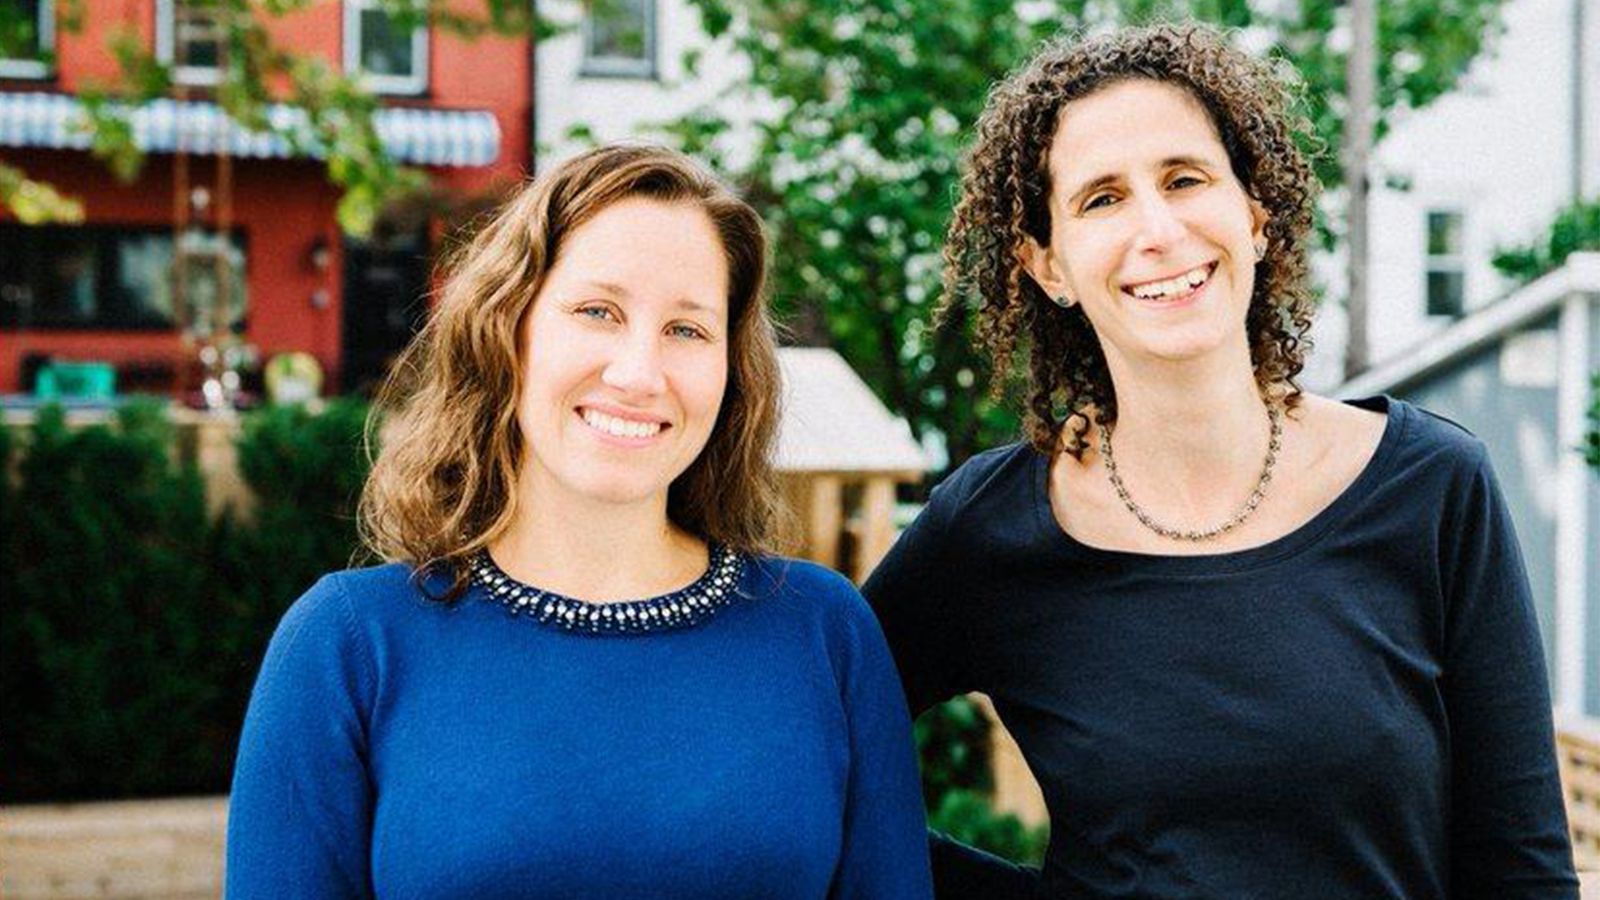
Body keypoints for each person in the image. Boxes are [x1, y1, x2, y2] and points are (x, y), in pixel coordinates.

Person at [863, 23, 1578, 899]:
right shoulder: (992, 527)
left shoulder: (1430, 485)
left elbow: (1523, 868)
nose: (1157, 230)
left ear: (1253, 212)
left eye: (1184, 179)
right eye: (1101, 200)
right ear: (1047, 264)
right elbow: (813, 759)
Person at [226, 144, 934, 899]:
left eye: (687, 330)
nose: (638, 372)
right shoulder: (348, 644)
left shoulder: (823, 633)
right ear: (509, 329)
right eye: (599, 311)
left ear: (731, 371)